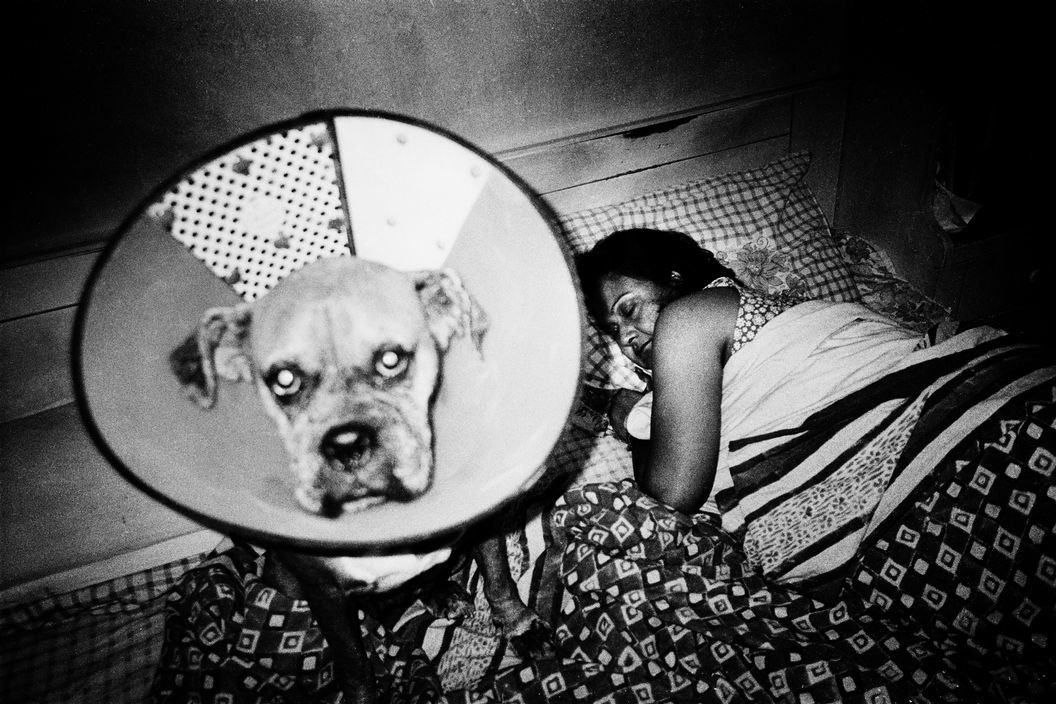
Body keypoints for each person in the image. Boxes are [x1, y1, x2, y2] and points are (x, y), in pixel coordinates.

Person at [575, 227, 904, 515]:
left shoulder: (687, 318)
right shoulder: (716, 327)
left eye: (629, 309)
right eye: (613, 330)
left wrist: (633, 423)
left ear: (673, 277)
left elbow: (671, 496)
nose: (626, 337)